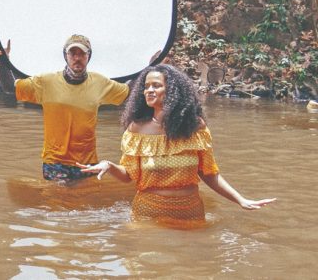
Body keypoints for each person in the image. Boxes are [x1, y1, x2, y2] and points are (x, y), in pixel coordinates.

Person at [79, 64, 276, 224]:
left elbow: (209, 173)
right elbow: (128, 176)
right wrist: (109, 166)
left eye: (156, 85)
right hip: (149, 212)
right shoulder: (137, 129)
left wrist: (240, 200)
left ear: (172, 90)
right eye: (146, 86)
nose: (149, 90)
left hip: (190, 211)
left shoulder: (195, 127)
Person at [0, 34, 129, 181]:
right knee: (57, 201)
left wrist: (152, 67)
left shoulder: (100, 83)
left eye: (82, 54)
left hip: (87, 163)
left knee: (86, 202)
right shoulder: (46, 82)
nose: (77, 58)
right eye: (73, 53)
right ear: (65, 56)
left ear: (89, 56)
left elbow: (128, 93)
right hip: (55, 162)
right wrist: (3, 59)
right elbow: (9, 87)